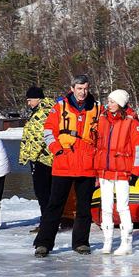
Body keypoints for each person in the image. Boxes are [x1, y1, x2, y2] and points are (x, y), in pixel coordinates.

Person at [32, 75, 101, 257]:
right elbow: (48, 131)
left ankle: (81, 242)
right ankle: (43, 243)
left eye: (85, 88)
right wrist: (57, 150)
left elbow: (101, 136)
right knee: (55, 205)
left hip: (87, 164)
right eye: (79, 88)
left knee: (84, 207)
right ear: (72, 88)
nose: (82, 92)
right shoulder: (59, 107)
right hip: (64, 163)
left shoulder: (96, 108)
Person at [94, 89, 139, 255]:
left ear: (121, 104)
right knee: (106, 207)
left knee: (123, 207)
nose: (108, 104)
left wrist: (135, 171)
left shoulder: (132, 122)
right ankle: (107, 242)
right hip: (104, 170)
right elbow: (96, 144)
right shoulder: (102, 119)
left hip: (123, 171)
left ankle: (126, 243)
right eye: (108, 101)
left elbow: (138, 149)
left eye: (112, 101)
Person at [18, 86, 56, 234]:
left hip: (43, 159)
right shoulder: (41, 111)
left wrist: (31, 157)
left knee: (43, 192)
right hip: (44, 159)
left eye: (30, 100)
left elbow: (39, 138)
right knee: (46, 192)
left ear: (38, 99)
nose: (28, 103)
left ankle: (47, 224)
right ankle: (49, 221)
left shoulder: (43, 113)